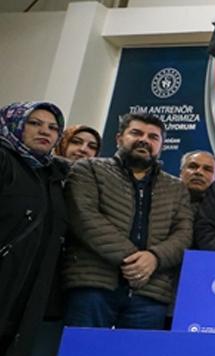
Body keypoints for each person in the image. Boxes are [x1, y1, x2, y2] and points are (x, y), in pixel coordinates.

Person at [63, 111, 193, 330]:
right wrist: (134, 260)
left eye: (153, 137)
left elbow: (184, 234)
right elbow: (84, 217)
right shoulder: (89, 169)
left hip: (150, 292)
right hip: (94, 284)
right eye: (136, 133)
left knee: (138, 353)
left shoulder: (176, 187)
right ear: (119, 138)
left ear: (161, 145)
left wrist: (154, 258)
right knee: (83, 351)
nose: (144, 140)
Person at [0, 102, 69, 356]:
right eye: (35, 123)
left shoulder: (54, 174)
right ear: (14, 125)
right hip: (5, 281)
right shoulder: (4, 161)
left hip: (36, 288)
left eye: (52, 127)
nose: (45, 131)